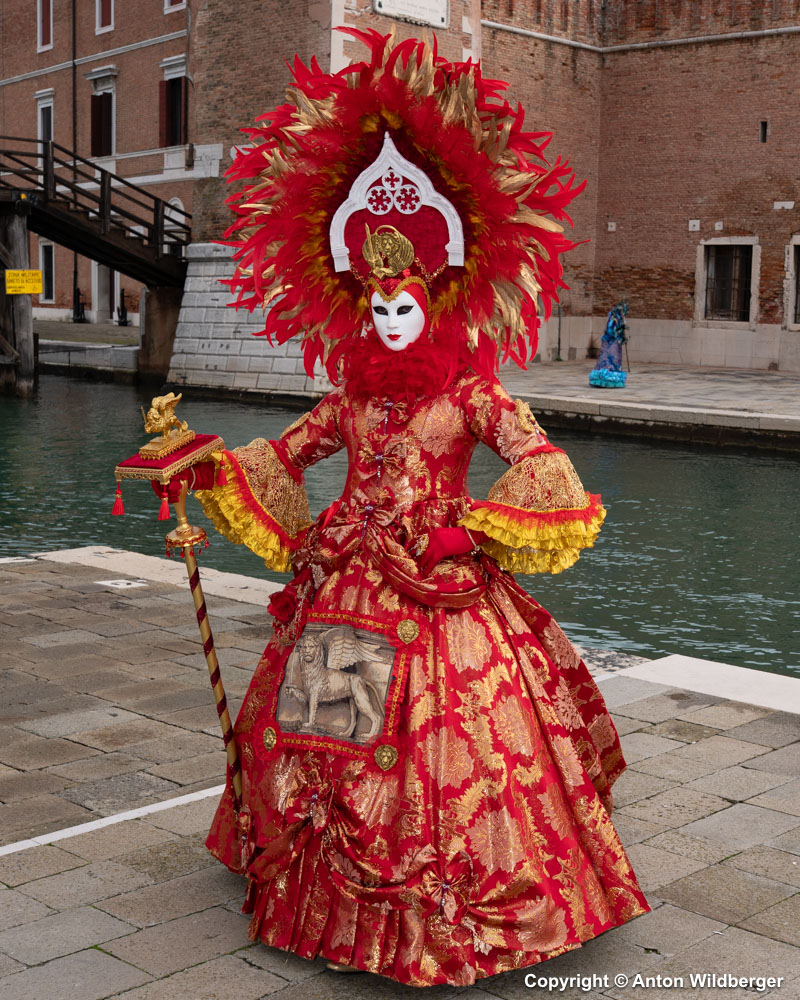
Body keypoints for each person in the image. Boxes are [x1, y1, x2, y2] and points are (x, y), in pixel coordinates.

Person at [163, 31, 649, 987]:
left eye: (404, 308)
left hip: (442, 589)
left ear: (437, 302)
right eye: (374, 310)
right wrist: (202, 464)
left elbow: (543, 464)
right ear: (360, 308)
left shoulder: (470, 394)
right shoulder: (349, 399)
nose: (389, 323)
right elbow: (286, 454)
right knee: (316, 727)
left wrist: (467, 526)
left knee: (450, 749)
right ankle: (307, 875)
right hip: (344, 581)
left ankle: (449, 905)